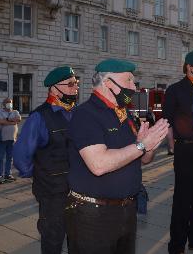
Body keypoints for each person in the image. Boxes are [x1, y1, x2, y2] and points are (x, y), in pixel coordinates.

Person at [65, 59, 169, 254]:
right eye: (129, 81)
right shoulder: (85, 114)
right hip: (92, 215)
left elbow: (143, 159)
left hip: (126, 210)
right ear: (108, 83)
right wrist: (141, 145)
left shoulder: (124, 115)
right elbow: (99, 164)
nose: (133, 87)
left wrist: (151, 144)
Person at [13, 66, 79, 254]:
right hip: (52, 192)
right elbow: (21, 155)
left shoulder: (77, 113)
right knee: (53, 239)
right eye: (71, 84)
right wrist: (36, 173)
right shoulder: (39, 117)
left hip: (78, 189)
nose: (75, 88)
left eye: (77, 83)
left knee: (78, 238)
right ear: (54, 89)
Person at [165, 50, 193, 254]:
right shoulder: (175, 90)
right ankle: (176, 245)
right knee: (183, 199)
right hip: (185, 149)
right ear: (189, 67)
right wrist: (172, 145)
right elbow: (167, 122)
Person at [0, 98, 21, 184]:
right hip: (2, 138)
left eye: (10, 103)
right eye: (7, 103)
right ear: (3, 104)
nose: (9, 104)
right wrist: (12, 121)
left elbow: (18, 119)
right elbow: (0, 121)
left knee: (9, 157)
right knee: (0, 158)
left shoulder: (15, 112)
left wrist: (6, 120)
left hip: (12, 139)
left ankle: (7, 174)